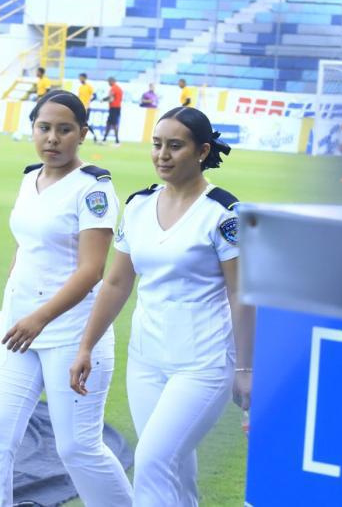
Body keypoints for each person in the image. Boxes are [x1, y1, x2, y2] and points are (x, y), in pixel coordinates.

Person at [70, 106, 254, 506]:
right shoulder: (137, 206)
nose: (162, 155)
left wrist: (245, 370)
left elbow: (242, 295)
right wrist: (86, 346)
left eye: (175, 146)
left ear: (202, 151)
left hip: (202, 364)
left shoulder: (223, 213)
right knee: (175, 467)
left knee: (153, 459)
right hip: (146, 361)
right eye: (157, 145)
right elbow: (117, 282)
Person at [0, 90, 133, 507]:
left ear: (82, 134)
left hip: (72, 336)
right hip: (16, 331)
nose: (52, 139)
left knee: (77, 448)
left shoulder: (93, 190)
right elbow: (25, 245)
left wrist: (38, 317)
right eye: (44, 128)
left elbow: (91, 270)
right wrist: (14, 303)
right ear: (32, 129)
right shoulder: (29, 177)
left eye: (64, 130)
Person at [102, 77, 122, 146]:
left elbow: (110, 97)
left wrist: (103, 99)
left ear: (112, 81)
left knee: (114, 124)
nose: (108, 83)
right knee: (109, 123)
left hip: (114, 108)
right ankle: (104, 139)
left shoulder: (114, 88)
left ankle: (117, 141)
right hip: (116, 108)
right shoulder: (118, 88)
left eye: (108, 82)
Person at [78, 73, 98, 142]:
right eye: (79, 78)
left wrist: (88, 102)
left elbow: (95, 96)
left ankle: (94, 135)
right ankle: (92, 136)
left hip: (87, 108)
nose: (80, 79)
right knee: (81, 122)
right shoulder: (80, 87)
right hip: (80, 107)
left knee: (84, 122)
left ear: (84, 78)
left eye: (81, 78)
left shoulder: (89, 87)